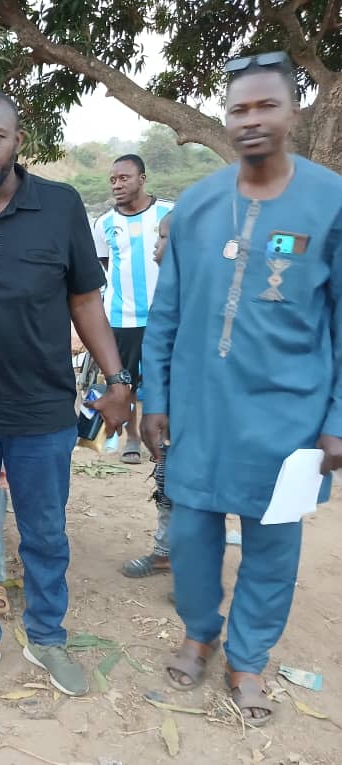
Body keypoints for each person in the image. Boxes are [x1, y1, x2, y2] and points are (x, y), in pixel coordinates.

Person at [142, 52, 342, 727]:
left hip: (291, 416)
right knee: (192, 536)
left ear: (293, 112)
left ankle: (248, 658)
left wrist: (338, 417)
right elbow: (166, 311)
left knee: (273, 545)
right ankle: (200, 632)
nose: (251, 120)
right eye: (239, 109)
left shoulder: (332, 202)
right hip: (202, 412)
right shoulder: (198, 204)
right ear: (225, 118)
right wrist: (155, 397)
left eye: (266, 106)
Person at [0, 92, 132, 697]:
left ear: (17, 141)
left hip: (42, 413)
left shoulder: (60, 207)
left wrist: (118, 379)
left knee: (45, 532)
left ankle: (46, 636)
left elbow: (85, 301)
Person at [93, 155, 174, 466]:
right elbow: (106, 264)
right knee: (124, 382)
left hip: (164, 316)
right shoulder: (104, 224)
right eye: (113, 180)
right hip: (121, 317)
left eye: (124, 178)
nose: (117, 184)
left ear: (142, 178)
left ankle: (166, 436)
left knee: (166, 378)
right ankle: (132, 439)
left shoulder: (169, 213)